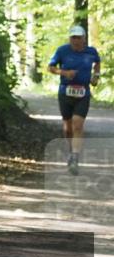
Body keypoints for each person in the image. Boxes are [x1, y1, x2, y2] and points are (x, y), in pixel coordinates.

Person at [48, 25, 101, 175]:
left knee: (78, 125)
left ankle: (75, 157)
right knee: (68, 127)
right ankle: (71, 150)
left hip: (83, 93)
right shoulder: (62, 51)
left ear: (84, 39)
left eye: (79, 37)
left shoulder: (91, 52)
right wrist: (64, 72)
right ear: (70, 38)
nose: (76, 41)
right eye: (73, 38)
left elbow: (97, 63)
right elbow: (50, 67)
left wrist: (95, 77)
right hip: (65, 92)